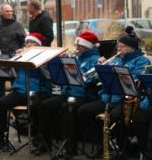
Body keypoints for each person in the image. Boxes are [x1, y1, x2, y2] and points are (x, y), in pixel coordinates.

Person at [77, 26, 150, 158]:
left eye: (121, 46)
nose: (118, 49)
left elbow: (136, 82)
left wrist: (120, 73)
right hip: (108, 97)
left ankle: (123, 147)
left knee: (116, 116)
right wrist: (100, 69)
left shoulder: (142, 61)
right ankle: (103, 145)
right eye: (117, 46)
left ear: (131, 47)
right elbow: (97, 79)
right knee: (84, 111)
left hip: (125, 99)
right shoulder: (116, 59)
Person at [39, 31, 100, 156]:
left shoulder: (95, 60)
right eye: (76, 46)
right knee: (44, 105)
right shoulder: (76, 58)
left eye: (80, 46)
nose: (76, 48)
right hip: (69, 93)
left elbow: (91, 81)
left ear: (87, 46)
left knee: (67, 108)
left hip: (85, 95)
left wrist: (81, 75)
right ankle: (46, 143)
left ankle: (71, 147)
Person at [0, 32, 52, 150]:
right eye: (27, 42)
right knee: (0, 104)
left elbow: (50, 77)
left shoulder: (47, 57)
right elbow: (4, 68)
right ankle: (1, 137)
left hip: (39, 91)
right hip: (20, 91)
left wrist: (39, 62)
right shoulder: (21, 55)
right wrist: (15, 57)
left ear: (38, 45)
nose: (28, 45)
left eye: (32, 43)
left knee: (38, 107)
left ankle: (41, 140)